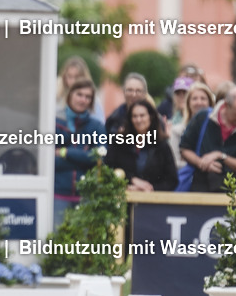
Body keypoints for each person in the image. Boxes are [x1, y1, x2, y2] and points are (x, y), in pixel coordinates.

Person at [179, 86, 236, 193]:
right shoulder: (203, 118)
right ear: (226, 105)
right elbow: (184, 148)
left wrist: (222, 156)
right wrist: (201, 162)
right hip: (200, 188)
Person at [55, 79, 105, 225]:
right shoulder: (56, 122)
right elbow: (50, 161)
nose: (83, 100)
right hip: (57, 195)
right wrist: (83, 157)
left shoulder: (97, 127)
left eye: (88, 97)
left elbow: (99, 157)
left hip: (85, 197)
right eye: (79, 94)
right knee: (55, 243)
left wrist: (66, 153)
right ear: (70, 95)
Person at [104, 100, 178, 192]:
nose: (138, 120)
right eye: (135, 116)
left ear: (150, 117)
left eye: (142, 116)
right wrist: (132, 179)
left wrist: (149, 188)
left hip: (151, 200)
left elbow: (172, 180)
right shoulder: (119, 142)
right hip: (122, 196)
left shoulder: (161, 146)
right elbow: (108, 168)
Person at [57, 55, 105, 122]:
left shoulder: (93, 102)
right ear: (64, 77)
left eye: (77, 77)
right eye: (70, 76)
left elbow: (100, 125)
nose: (73, 81)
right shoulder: (58, 99)